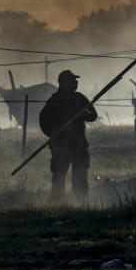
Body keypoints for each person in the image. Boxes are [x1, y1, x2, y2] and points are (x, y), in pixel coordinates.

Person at [39, 70, 97, 202]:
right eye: (72, 80)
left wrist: (84, 114)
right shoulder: (54, 100)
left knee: (80, 176)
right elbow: (43, 121)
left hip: (79, 145)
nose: (75, 83)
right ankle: (56, 204)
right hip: (60, 146)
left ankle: (82, 203)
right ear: (64, 82)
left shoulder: (79, 98)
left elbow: (93, 115)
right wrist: (52, 133)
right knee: (59, 176)